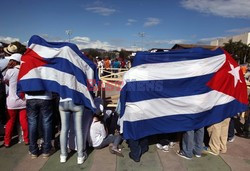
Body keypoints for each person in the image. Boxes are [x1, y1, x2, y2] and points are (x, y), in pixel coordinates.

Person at [3, 53, 29, 147]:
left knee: (10, 121)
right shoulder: (24, 70)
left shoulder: (10, 71)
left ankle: (7, 141)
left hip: (11, 100)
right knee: (24, 120)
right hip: (23, 99)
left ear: (14, 61)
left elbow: (5, 81)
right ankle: (26, 139)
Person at [26, 90, 53, 158]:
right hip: (45, 97)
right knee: (46, 123)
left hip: (30, 97)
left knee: (32, 123)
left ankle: (33, 151)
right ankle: (46, 150)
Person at [59, 98, 86, 164]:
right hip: (76, 101)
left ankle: (63, 155)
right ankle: (80, 156)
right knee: (78, 130)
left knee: (64, 129)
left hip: (63, 101)